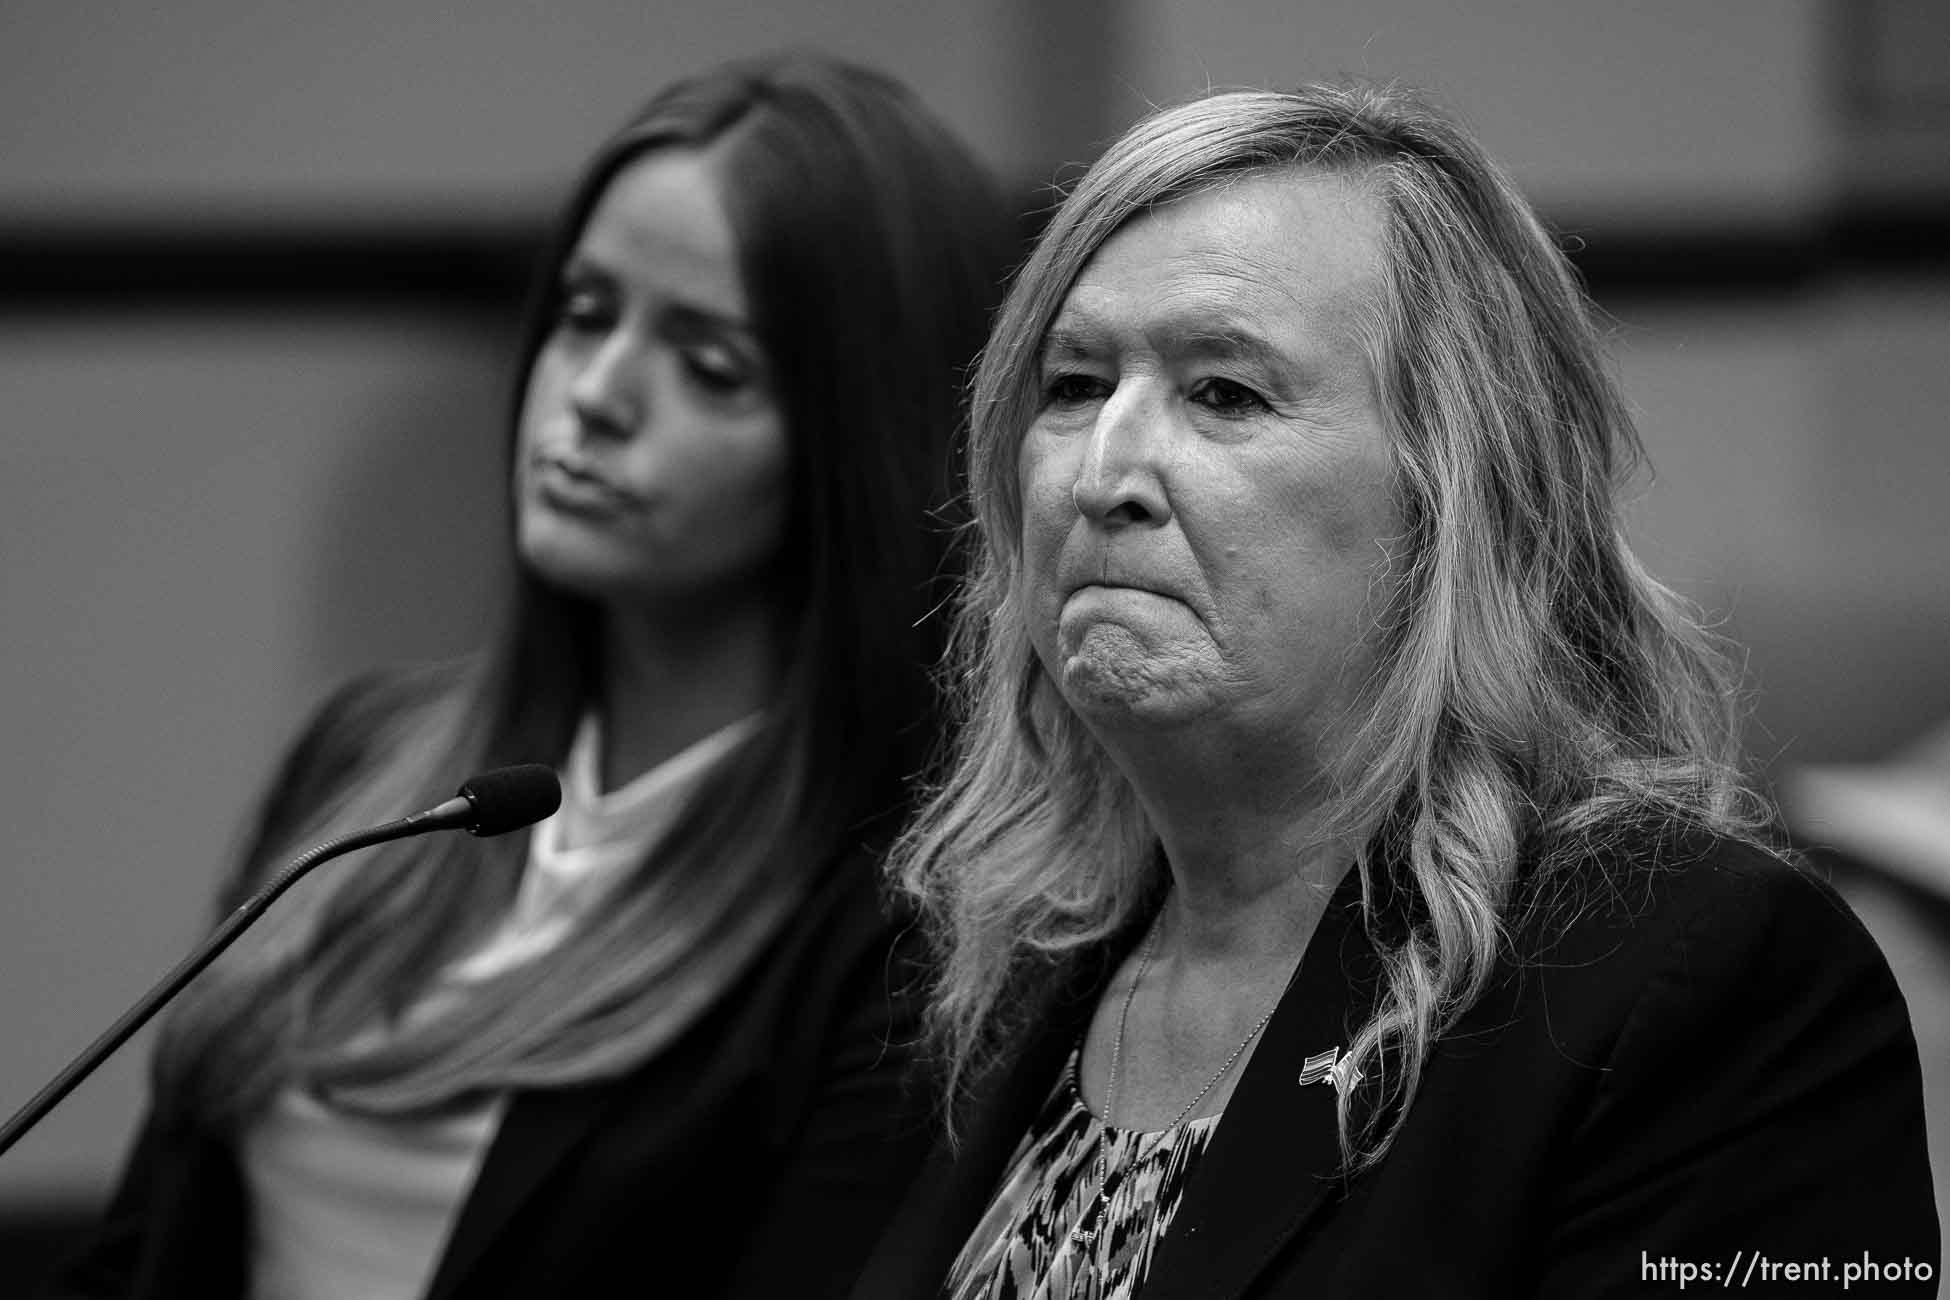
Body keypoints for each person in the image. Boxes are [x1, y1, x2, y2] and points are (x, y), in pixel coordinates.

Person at [847, 83, 1940, 1299]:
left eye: (1225, 394)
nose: (1104, 473)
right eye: (1072, 385)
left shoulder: (1695, 979)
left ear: (1451, 503)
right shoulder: (993, 966)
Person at [47, 52, 1014, 1300]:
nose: (597, 396)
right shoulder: (371, 757)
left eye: (708, 366)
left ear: (850, 444)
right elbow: (144, 1253)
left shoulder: (896, 922)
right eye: (585, 311)